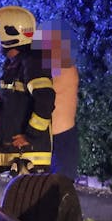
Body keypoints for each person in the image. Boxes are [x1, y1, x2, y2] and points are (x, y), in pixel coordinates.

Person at [0, 5, 53, 172]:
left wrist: (30, 136)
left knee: (26, 197)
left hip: (28, 155)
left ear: (11, 34)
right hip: (17, 152)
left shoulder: (32, 63)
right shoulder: (15, 64)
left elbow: (45, 99)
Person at [39, 20, 81, 181]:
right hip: (45, 139)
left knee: (58, 189)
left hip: (61, 139)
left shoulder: (66, 70)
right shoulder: (49, 69)